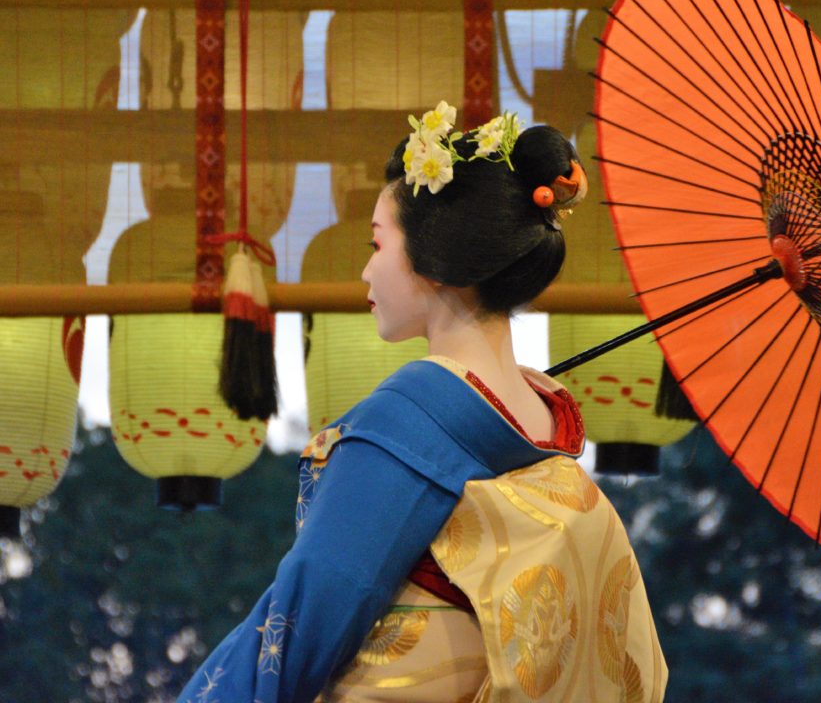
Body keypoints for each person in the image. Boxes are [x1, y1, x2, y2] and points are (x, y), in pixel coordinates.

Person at [178, 103, 667, 703]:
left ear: (434, 261)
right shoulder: (541, 424)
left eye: (377, 245)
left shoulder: (405, 427)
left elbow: (301, 625)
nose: (365, 269)